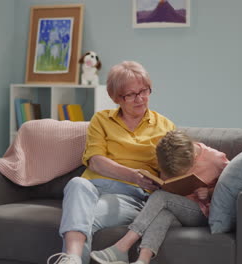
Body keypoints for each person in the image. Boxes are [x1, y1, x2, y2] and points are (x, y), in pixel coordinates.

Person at [47, 61, 176, 264]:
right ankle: (72, 258)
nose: (140, 98)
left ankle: (70, 258)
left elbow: (171, 170)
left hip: (132, 195)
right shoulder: (101, 120)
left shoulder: (165, 126)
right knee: (76, 183)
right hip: (94, 186)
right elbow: (96, 162)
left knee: (82, 217)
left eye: (144, 91)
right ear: (116, 98)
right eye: (131, 94)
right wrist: (132, 174)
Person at [89, 130, 229, 264]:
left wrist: (209, 192)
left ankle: (122, 247)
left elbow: (234, 184)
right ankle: (143, 260)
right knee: (163, 214)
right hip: (176, 209)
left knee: (161, 197)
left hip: (201, 212)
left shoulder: (214, 159)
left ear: (192, 157)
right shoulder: (168, 159)